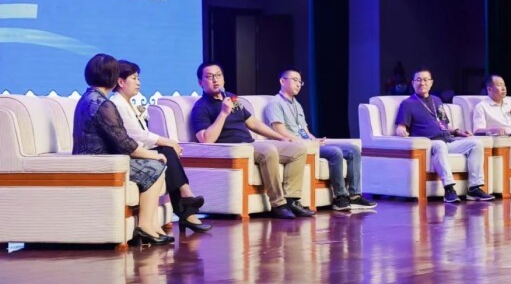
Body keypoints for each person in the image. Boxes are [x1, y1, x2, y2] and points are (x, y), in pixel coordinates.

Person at [190, 62, 315, 219]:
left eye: (218, 75)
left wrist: (282, 137)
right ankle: (278, 204)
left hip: (250, 143)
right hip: (234, 148)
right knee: (268, 150)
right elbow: (206, 139)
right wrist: (223, 114)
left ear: (223, 79)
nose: (215, 80)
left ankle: (292, 200)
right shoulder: (200, 107)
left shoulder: (231, 97)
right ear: (200, 83)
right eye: (209, 77)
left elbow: (253, 123)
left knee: (298, 149)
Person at [72, 54, 172, 245]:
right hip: (101, 163)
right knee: (155, 167)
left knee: (154, 164)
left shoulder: (87, 98)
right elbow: (125, 143)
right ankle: (145, 226)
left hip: (93, 159)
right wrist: (154, 155)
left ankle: (150, 225)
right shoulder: (103, 104)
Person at [111, 60, 211, 233]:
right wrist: (169, 141)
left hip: (138, 148)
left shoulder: (128, 103)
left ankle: (187, 208)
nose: (138, 82)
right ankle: (187, 203)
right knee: (168, 150)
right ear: (120, 82)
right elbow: (138, 135)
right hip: (126, 152)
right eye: (134, 78)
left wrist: (167, 144)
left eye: (138, 78)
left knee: (168, 153)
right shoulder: (117, 104)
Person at [264, 68, 376, 211]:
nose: (298, 84)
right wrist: (307, 143)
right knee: (335, 152)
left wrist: (315, 139)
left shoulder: (297, 105)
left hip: (308, 144)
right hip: (295, 147)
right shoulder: (275, 103)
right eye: (295, 80)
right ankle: (340, 197)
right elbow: (280, 131)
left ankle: (354, 196)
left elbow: (304, 131)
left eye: (300, 82)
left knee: (353, 149)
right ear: (282, 81)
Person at [395, 67, 494, 203]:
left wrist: (458, 131)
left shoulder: (437, 101)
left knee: (476, 144)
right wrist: (401, 130)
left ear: (431, 83)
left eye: (425, 80)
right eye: (418, 80)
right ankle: (449, 189)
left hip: (448, 141)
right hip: (429, 144)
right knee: (440, 145)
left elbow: (445, 125)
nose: (422, 83)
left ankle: (474, 188)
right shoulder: (407, 104)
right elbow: (401, 126)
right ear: (412, 83)